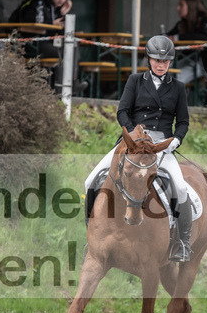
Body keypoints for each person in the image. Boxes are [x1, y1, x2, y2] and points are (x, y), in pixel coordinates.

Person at [83, 35, 193, 261]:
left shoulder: (178, 88)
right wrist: (132, 134)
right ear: (148, 59)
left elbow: (182, 122)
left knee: (180, 189)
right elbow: (122, 111)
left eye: (165, 61)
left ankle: (183, 243)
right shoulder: (135, 81)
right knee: (90, 181)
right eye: (156, 60)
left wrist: (175, 140)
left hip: (160, 146)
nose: (161, 65)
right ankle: (91, 237)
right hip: (132, 142)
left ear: (170, 63)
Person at [167, 0, 207, 87]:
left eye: (181, 5)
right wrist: (164, 37)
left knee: (176, 79)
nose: (178, 8)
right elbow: (170, 35)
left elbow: (203, 37)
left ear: (190, 7)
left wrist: (177, 37)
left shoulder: (205, 20)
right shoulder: (182, 23)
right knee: (164, 72)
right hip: (190, 59)